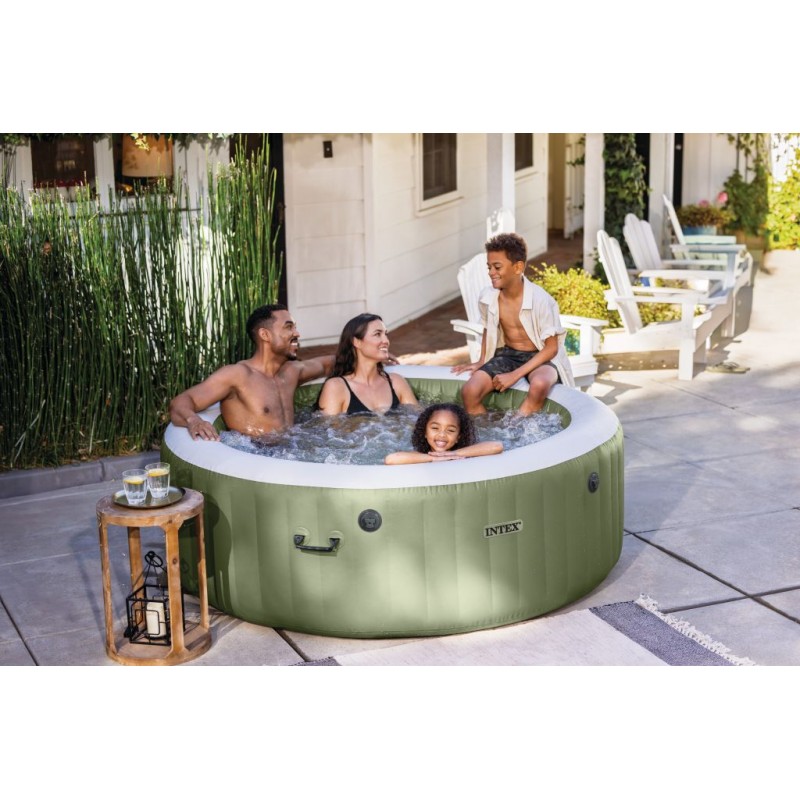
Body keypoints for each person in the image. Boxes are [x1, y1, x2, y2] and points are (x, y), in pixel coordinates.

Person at [169, 304, 336, 440]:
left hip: (290, 451)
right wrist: (194, 421)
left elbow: (329, 364)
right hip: (258, 456)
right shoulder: (238, 375)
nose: (297, 333)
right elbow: (181, 402)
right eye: (288, 327)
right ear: (265, 335)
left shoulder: (291, 372)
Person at [451, 232, 575, 415]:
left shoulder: (540, 300)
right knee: (470, 391)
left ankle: (517, 424)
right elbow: (487, 328)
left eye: (497, 267)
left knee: (540, 384)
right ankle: (488, 429)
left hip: (540, 357)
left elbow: (551, 348)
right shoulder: (488, 297)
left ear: (518, 267)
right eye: (489, 267)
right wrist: (482, 360)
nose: (491, 272)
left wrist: (514, 376)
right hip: (508, 355)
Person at [314, 313, 418, 415]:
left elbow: (419, 419)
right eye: (377, 334)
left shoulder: (396, 382)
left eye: (385, 334)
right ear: (356, 342)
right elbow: (328, 426)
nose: (386, 341)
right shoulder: (336, 387)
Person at [384, 403, 503, 465]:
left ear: (458, 437)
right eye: (435, 428)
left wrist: (453, 454)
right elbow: (391, 459)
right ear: (425, 432)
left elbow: (496, 446)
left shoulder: (464, 454)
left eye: (450, 430)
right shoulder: (420, 456)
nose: (442, 434)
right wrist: (433, 458)